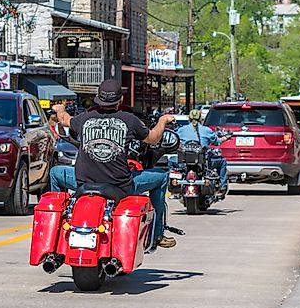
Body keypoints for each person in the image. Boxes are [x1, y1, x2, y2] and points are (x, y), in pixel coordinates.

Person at [50, 77, 177, 249]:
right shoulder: (129, 120)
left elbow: (65, 119)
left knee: (55, 173)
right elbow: (153, 138)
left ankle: (56, 225)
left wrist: (60, 108)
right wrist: (162, 121)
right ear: (120, 100)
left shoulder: (85, 118)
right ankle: (157, 234)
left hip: (83, 183)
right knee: (161, 177)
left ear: (98, 98)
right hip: (119, 186)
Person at [172, 107, 228, 191]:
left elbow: (174, 140)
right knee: (222, 161)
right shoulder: (206, 130)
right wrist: (225, 138)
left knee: (171, 161)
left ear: (189, 118)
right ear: (200, 118)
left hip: (183, 162)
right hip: (204, 163)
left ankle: (173, 184)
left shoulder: (181, 130)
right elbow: (217, 142)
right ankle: (222, 186)